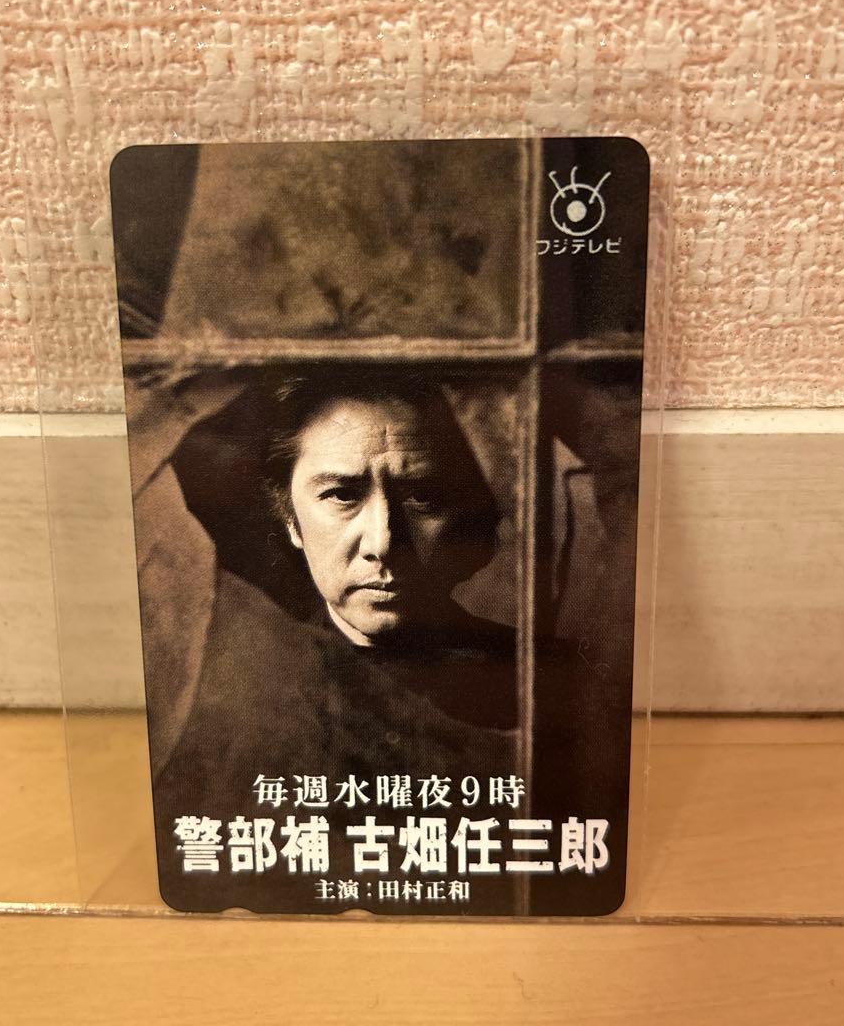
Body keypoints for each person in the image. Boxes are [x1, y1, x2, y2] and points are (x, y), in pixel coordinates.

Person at [151, 371, 624, 916]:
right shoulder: (220, 694)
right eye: (341, 495)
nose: (383, 541)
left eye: (422, 497)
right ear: (290, 520)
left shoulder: (559, 688)